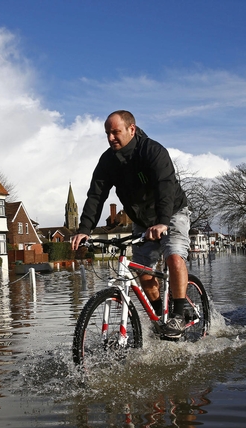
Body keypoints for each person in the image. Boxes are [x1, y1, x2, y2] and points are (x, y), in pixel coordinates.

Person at [71, 110, 191, 337]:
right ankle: (160, 317)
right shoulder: (108, 161)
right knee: (143, 272)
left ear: (131, 129)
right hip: (142, 221)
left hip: (171, 213)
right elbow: (96, 196)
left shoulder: (153, 151)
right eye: (107, 133)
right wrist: (84, 230)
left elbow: (165, 186)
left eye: (115, 132)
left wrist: (163, 222)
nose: (110, 138)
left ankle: (178, 314)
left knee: (174, 256)